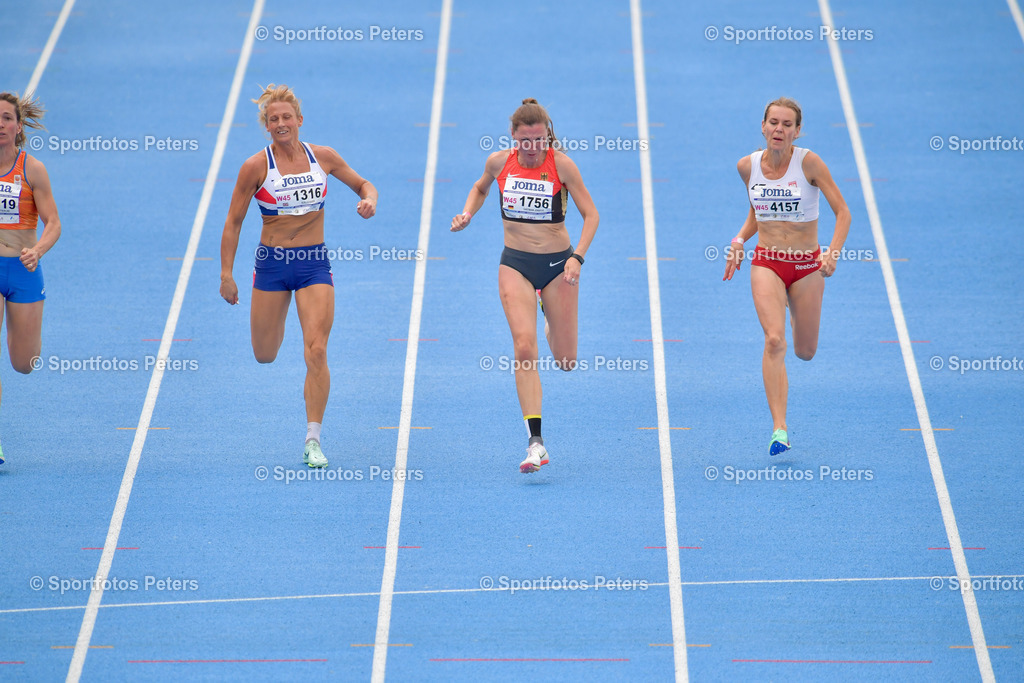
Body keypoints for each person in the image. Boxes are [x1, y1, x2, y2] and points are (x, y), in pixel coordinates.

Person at [220, 84, 377, 468]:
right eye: (273, 119)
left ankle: (313, 438)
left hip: (313, 263)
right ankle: (282, 322)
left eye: (286, 117)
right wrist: (227, 273)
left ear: (299, 121)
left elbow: (363, 183)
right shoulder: (256, 167)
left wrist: (369, 199)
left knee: (317, 350)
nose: (280, 123)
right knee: (265, 354)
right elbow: (233, 222)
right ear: (267, 127)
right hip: (271, 265)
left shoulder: (322, 157)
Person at [452, 98, 598, 473]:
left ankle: (550, 315)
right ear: (513, 138)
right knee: (523, 346)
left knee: (565, 361)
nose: (532, 148)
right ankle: (536, 442)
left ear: (547, 136)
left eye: (538, 140)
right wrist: (468, 212)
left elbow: (591, 215)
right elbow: (481, 188)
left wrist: (576, 257)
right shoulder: (500, 162)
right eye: (525, 141)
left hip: (557, 266)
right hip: (515, 264)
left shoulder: (562, 166)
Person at [724, 96, 850, 456]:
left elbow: (843, 213)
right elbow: (756, 211)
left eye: (787, 125)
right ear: (763, 126)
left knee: (805, 351)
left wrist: (833, 253)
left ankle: (796, 310)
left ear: (797, 131)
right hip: (767, 262)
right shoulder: (747, 167)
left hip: (807, 265)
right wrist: (738, 239)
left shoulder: (809, 163)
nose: (779, 130)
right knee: (774, 340)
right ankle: (779, 428)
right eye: (773, 123)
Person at [0, 92, 61, 465]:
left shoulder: (32, 169)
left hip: (22, 271)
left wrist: (37, 250)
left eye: (7, 119)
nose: (0, 126)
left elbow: (54, 223)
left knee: (24, 363)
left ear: (19, 127)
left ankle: (22, 338)